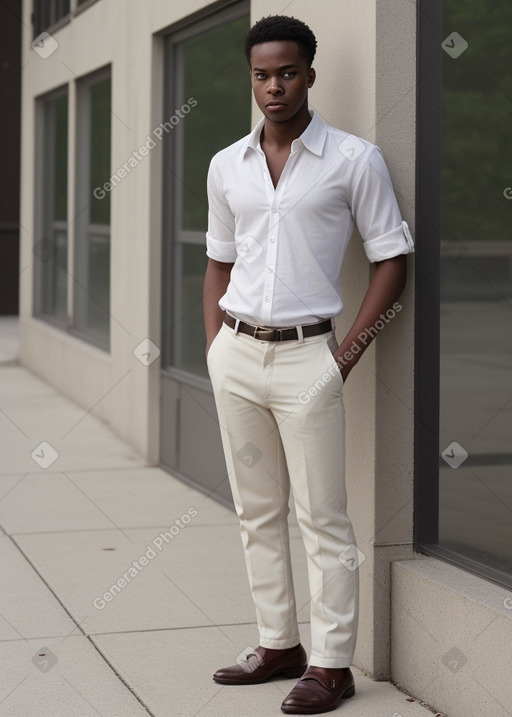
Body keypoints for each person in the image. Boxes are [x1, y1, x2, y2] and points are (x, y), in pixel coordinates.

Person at [202, 14, 414, 715]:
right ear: (251, 78)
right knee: (256, 509)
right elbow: (218, 261)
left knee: (323, 516)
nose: (273, 86)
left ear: (310, 75)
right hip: (237, 354)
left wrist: (343, 357)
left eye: (287, 72)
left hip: (308, 359)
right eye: (261, 74)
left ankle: (331, 663)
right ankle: (278, 643)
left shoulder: (354, 158)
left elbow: (392, 259)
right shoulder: (226, 165)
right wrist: (215, 348)